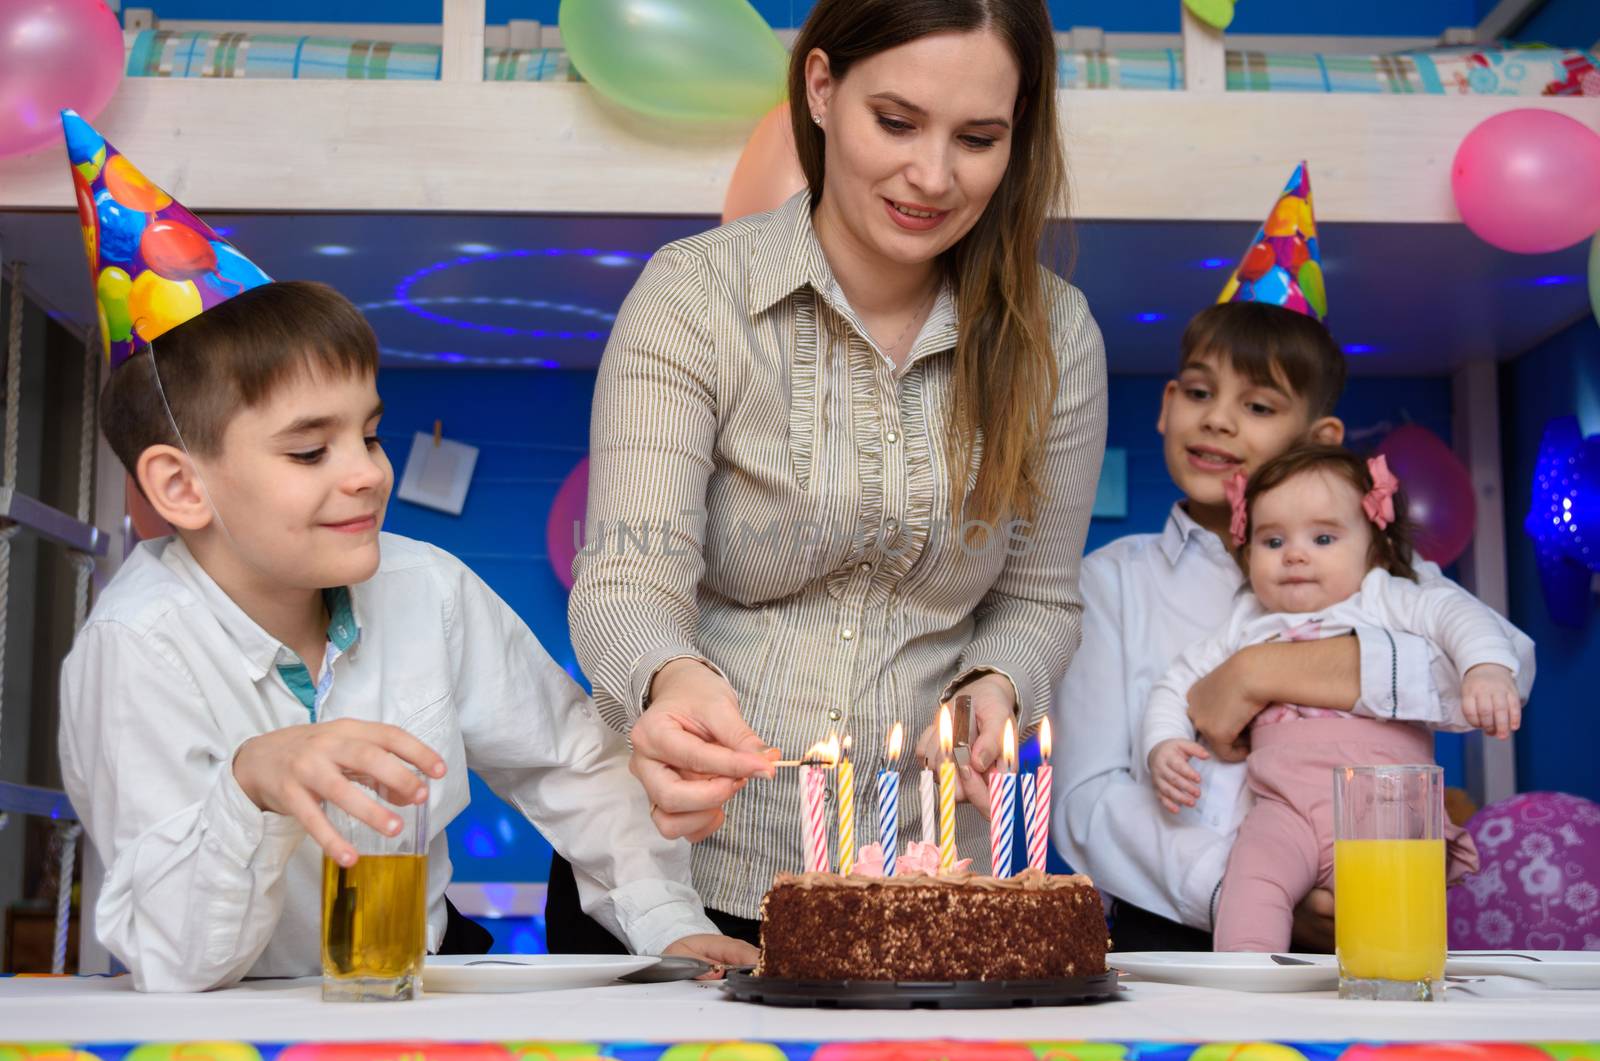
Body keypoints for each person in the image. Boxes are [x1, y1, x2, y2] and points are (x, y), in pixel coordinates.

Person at [55, 112, 752, 991]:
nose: (366, 475)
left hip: (403, 1004)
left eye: (371, 435)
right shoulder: (136, 650)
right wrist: (251, 782)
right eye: (310, 451)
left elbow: (574, 763)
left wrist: (667, 924)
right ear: (181, 487)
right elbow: (175, 961)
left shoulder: (428, 587)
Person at [563, 0, 1108, 939]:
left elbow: (1040, 601)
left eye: (978, 138)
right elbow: (625, 577)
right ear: (821, 88)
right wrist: (667, 680)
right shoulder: (694, 297)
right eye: (895, 122)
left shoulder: (1055, 338)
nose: (932, 176)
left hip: (931, 884)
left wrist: (999, 683)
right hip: (687, 874)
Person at [1049, 162, 1536, 952]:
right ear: (1167, 407)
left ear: (1319, 442)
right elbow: (1089, 798)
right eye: (1201, 393)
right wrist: (1243, 883)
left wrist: (1261, 675)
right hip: (1176, 926)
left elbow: (1504, 664)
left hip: (1367, 898)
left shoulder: (1376, 572)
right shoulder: (1111, 582)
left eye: (1260, 405)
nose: (1219, 423)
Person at [1142, 444, 1528, 951]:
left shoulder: (1385, 598)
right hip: (1283, 809)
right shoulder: (1247, 624)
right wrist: (1164, 743)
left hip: (1386, 810)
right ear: (1246, 551)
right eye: (1272, 540)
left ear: (1374, 546)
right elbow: (1178, 681)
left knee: (1394, 939)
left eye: (1323, 537)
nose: (1295, 554)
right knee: (1251, 885)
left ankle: (1393, 1011)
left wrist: (1485, 669)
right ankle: (1242, 990)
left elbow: (1459, 617)